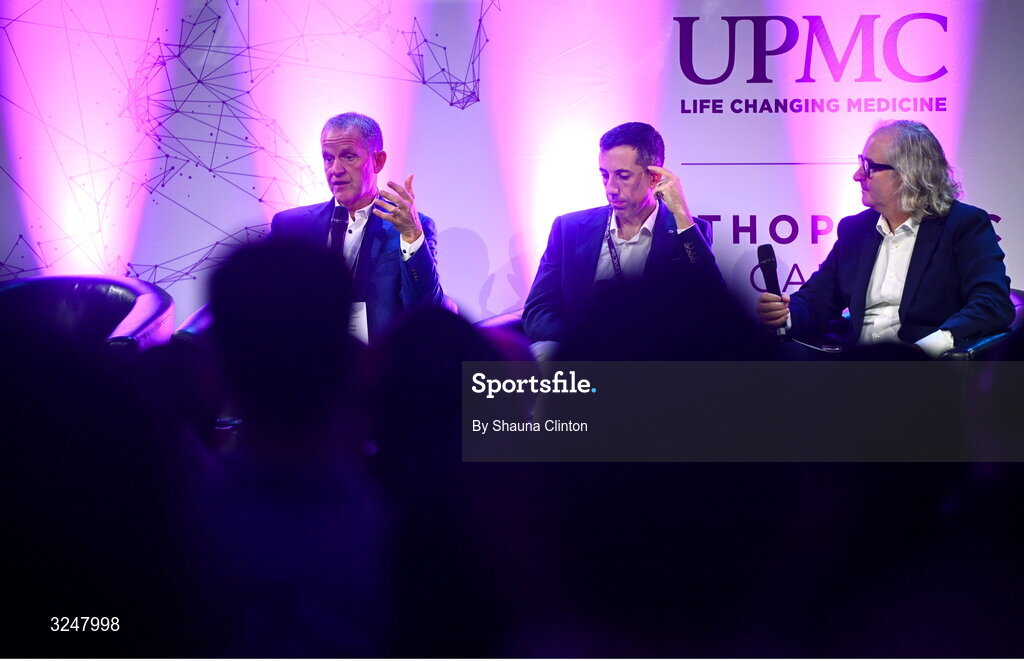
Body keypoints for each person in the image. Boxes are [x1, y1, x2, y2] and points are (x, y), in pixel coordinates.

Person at [756, 120, 1014, 358]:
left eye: (869, 167)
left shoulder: (963, 225)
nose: (857, 175)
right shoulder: (855, 230)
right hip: (855, 367)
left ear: (908, 175)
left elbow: (992, 303)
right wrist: (785, 315)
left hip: (928, 374)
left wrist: (928, 350)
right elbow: (817, 299)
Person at [522, 122, 725, 359]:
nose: (611, 188)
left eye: (623, 176)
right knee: (544, 354)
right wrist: (577, 344)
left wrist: (680, 214)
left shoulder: (687, 230)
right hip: (579, 357)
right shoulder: (569, 229)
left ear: (654, 177)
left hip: (651, 363)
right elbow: (538, 309)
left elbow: (714, 306)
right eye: (605, 175)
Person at [271, 112, 444, 342]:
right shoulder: (291, 227)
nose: (335, 169)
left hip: (379, 365)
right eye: (328, 158)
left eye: (348, 157)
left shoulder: (410, 227)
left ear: (378, 161)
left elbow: (425, 310)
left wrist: (412, 236)